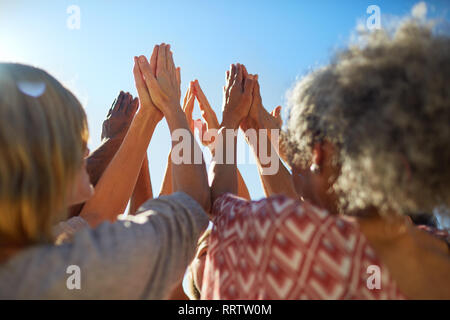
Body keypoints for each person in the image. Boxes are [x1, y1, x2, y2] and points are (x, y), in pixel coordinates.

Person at [202, 17, 450, 299]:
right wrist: (259, 136)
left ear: (319, 152)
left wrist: (230, 119)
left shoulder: (300, 240)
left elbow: (221, 203)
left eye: (295, 152)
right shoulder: (439, 246)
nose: (292, 165)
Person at [0, 43, 211, 299]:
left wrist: (145, 117)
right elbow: (191, 202)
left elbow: (97, 215)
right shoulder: (80, 268)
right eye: (75, 139)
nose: (88, 151)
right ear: (39, 160)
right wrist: (173, 110)